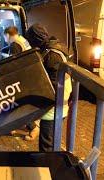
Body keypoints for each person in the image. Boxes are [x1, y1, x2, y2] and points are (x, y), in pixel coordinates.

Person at [25, 23, 72, 152]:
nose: (31, 45)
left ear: (36, 39)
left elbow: (52, 86)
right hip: (59, 105)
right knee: (51, 142)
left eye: (31, 41)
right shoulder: (54, 49)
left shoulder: (52, 55)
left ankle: (48, 168)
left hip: (54, 108)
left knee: (47, 145)